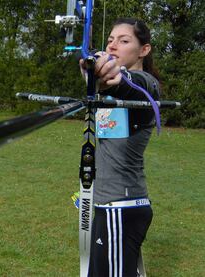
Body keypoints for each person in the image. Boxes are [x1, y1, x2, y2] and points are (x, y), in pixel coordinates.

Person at [80, 18, 161, 277]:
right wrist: (90, 67)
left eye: (124, 41)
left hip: (122, 207)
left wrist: (115, 75)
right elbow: (105, 79)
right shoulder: (112, 91)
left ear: (143, 50)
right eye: (110, 40)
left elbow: (132, 85)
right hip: (111, 205)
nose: (114, 45)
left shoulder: (146, 83)